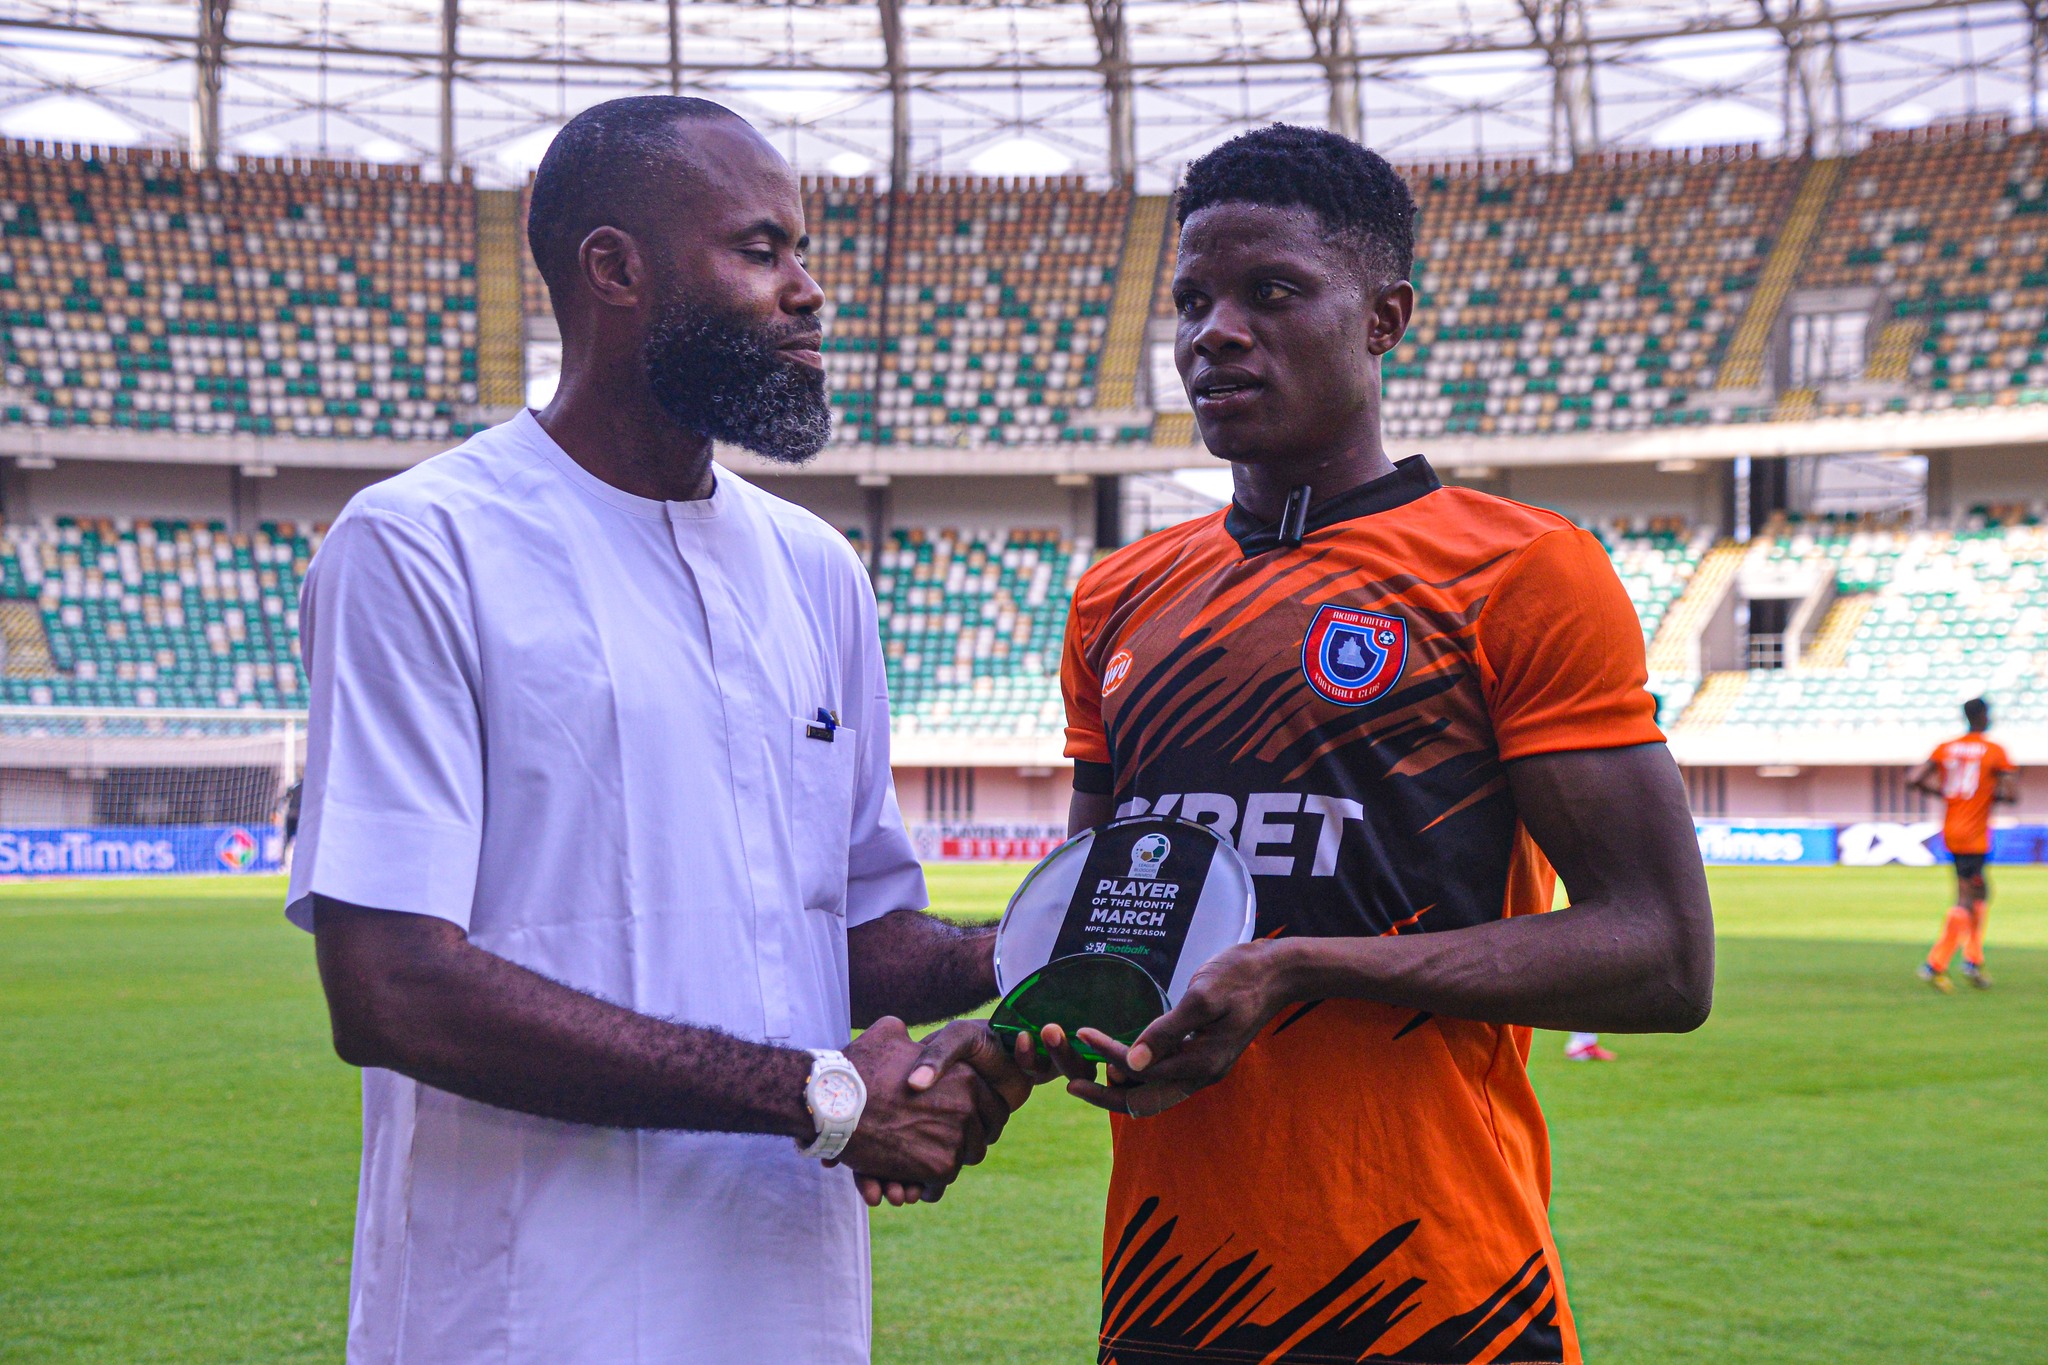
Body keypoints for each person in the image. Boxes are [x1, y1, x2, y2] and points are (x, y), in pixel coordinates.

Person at [287, 97, 1027, 1365]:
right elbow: (392, 987)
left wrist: (1031, 963)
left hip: (786, 1303)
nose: (805, 291)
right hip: (521, 1315)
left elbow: (838, 937)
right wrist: (820, 1094)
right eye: (760, 250)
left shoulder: (814, 570)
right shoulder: (421, 546)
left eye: (801, 253)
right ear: (614, 269)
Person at [1028, 125, 1714, 1365]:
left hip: (1436, 1297)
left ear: (1383, 317)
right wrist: (1053, 1035)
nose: (1212, 332)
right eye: (1190, 300)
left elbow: (1661, 958)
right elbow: (1097, 935)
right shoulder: (1118, 598)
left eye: (1271, 292)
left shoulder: (1517, 571)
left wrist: (1302, 968)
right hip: (1164, 1305)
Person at [1912, 696, 2016, 991]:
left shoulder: (1946, 748)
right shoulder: (1994, 751)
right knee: (1967, 897)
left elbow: (1914, 778)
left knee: (1980, 891)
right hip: (1974, 833)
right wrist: (1990, 794)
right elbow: (2011, 794)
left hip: (1952, 829)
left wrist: (1946, 794)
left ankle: (1973, 958)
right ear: (1982, 716)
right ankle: (1935, 964)